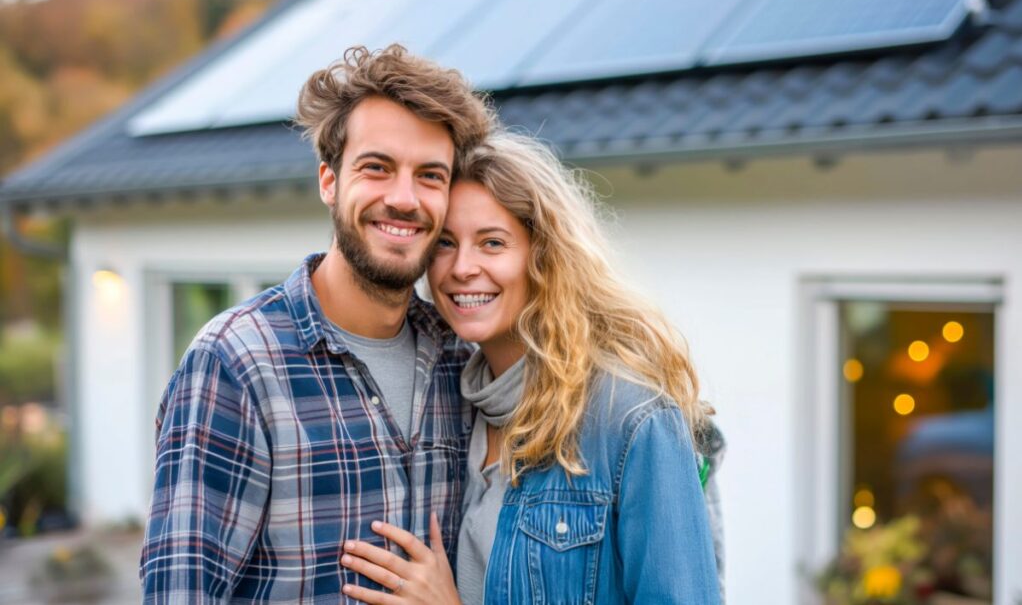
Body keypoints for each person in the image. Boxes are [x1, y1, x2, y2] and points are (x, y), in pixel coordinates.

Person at [140, 44, 494, 602]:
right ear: (329, 181)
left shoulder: (463, 361)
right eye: (377, 167)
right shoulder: (236, 364)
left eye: (430, 176)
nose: (404, 199)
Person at [338, 132, 722, 604]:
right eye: (444, 244)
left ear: (545, 258)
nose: (461, 268)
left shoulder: (631, 419)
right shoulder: (454, 405)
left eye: (492, 243)